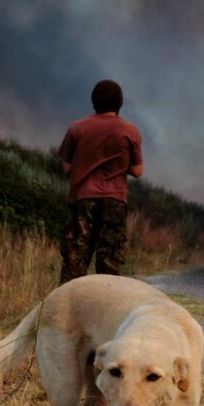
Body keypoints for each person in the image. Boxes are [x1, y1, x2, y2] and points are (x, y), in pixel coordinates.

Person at [58, 79, 143, 283]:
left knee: (75, 261)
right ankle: (105, 310)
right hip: (114, 201)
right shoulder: (130, 131)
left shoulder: (77, 128)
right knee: (109, 265)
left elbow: (66, 166)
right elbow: (138, 171)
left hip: (83, 199)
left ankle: (69, 309)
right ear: (119, 103)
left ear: (94, 101)